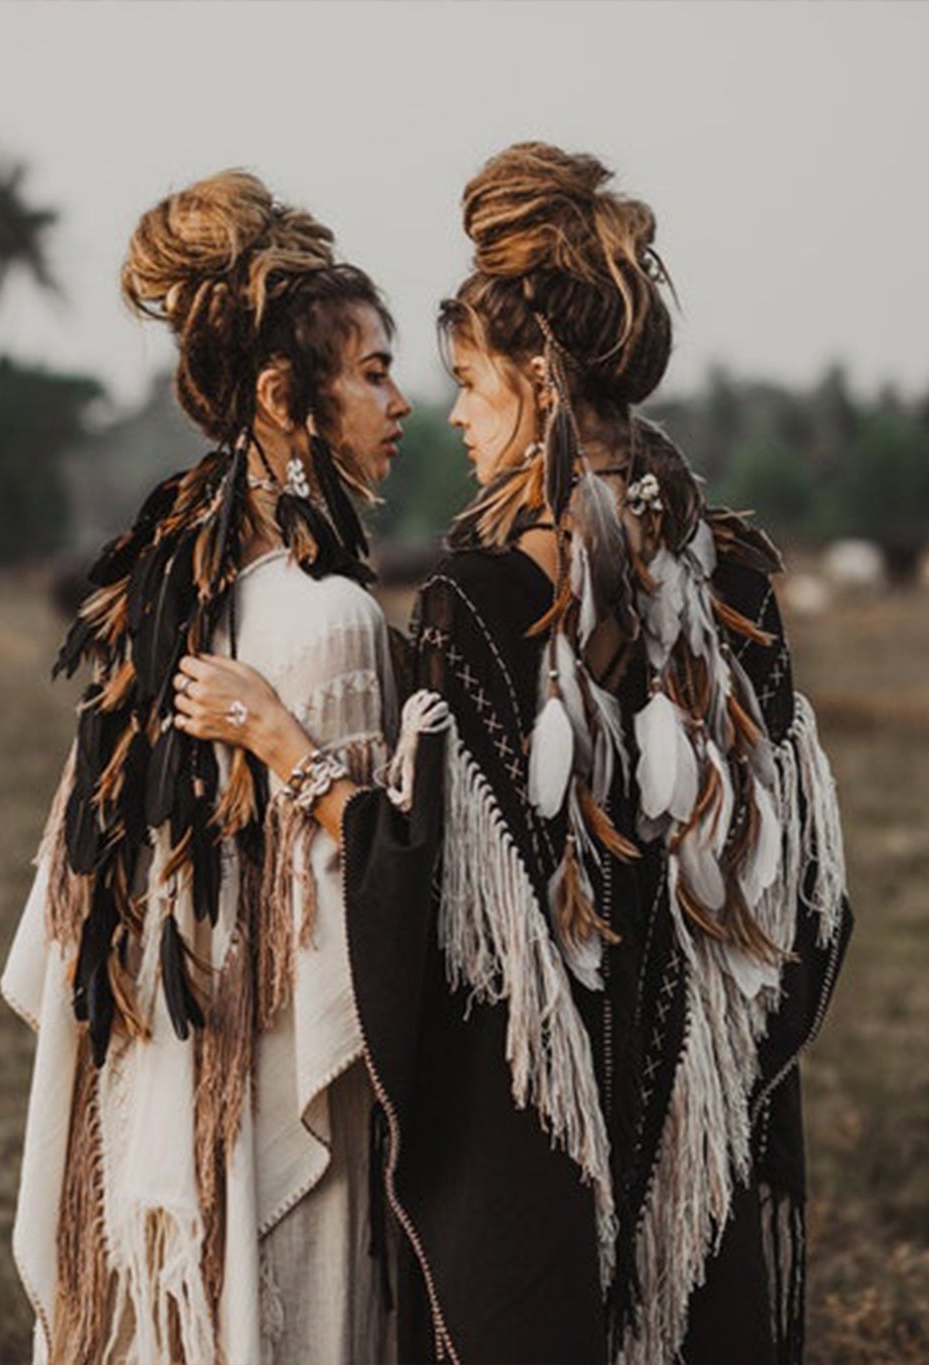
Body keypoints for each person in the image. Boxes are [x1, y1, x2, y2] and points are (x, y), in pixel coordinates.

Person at [175, 142, 851, 1364]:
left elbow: (429, 885)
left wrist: (287, 749)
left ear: (534, 384)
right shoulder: (735, 580)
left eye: (469, 385)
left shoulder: (483, 600)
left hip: (544, 1146)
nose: (454, 417)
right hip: (701, 1119)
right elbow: (797, 889)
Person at [1, 169, 412, 1364]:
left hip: (164, 1083)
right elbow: (367, 915)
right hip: (285, 1099)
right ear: (284, 397)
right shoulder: (332, 619)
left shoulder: (164, 594)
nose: (399, 402)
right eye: (373, 371)